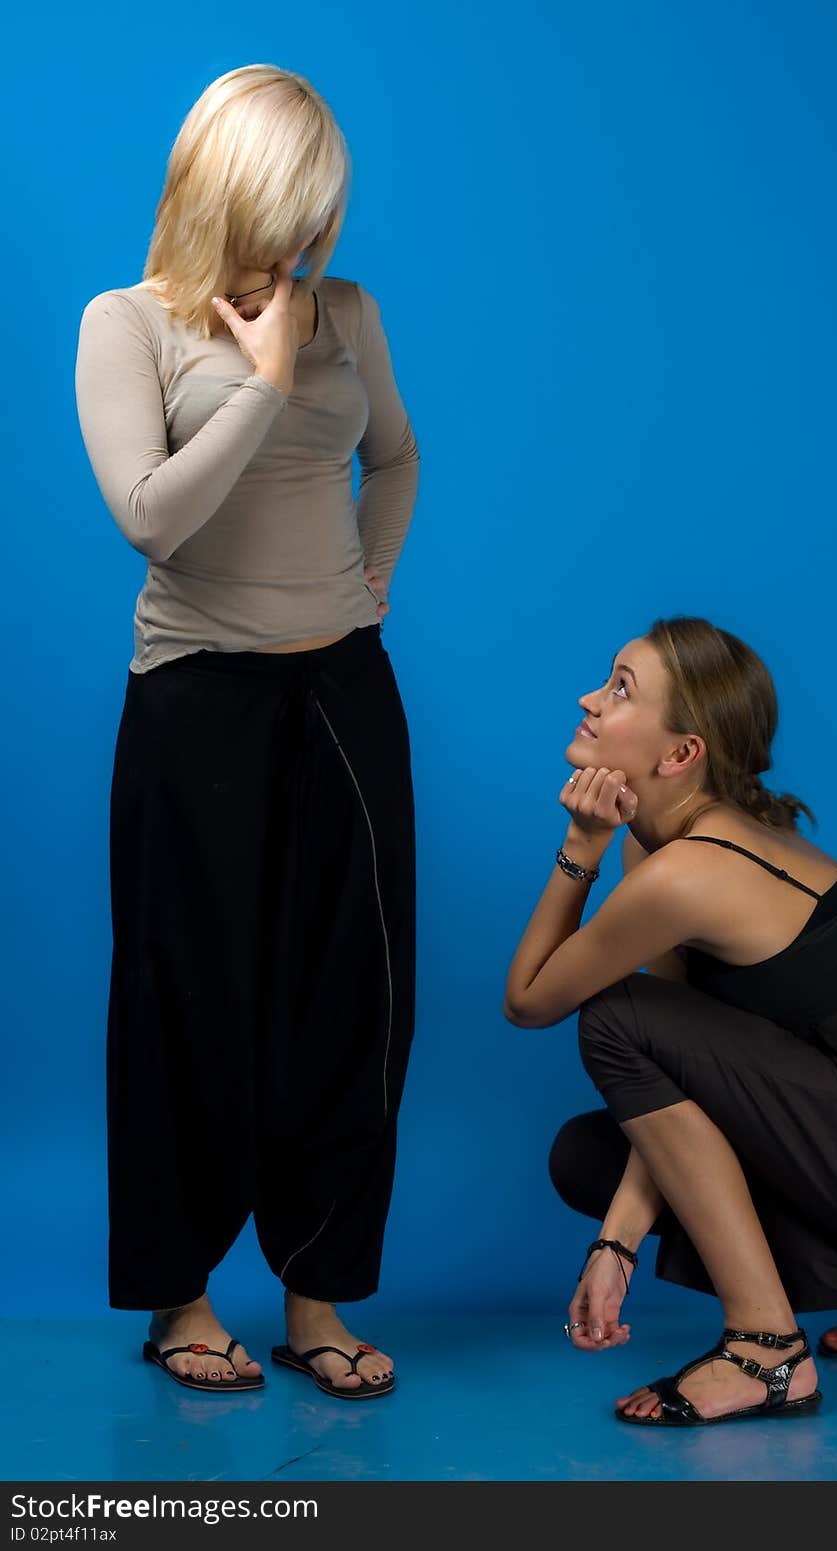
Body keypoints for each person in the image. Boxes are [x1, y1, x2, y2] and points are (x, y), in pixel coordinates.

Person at [74, 64, 419, 1399]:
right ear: (222, 185)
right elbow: (149, 516)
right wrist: (265, 386)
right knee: (184, 1000)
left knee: (353, 998)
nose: (301, 236)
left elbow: (393, 456)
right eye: (284, 202)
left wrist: (364, 582)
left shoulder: (350, 313)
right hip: (192, 697)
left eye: (318, 207)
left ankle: (318, 1296)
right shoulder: (129, 324)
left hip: (342, 689)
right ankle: (180, 1300)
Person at [503, 615, 837, 1426]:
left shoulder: (687, 873)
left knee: (612, 1012)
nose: (589, 699)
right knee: (588, 1155)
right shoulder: (691, 840)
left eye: (619, 690)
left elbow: (531, 999)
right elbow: (682, 1076)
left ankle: (766, 1348)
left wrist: (581, 843)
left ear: (679, 755)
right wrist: (617, 1243)